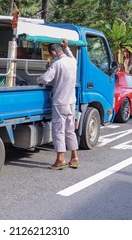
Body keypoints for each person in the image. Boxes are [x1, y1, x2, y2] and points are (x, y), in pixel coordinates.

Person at [37, 39, 79, 170]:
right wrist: (67, 47)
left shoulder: (57, 64)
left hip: (60, 102)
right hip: (71, 101)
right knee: (70, 130)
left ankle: (60, 159)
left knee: (58, 130)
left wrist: (37, 79)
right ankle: (74, 157)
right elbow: (71, 55)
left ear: (54, 53)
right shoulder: (73, 62)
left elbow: (45, 79)